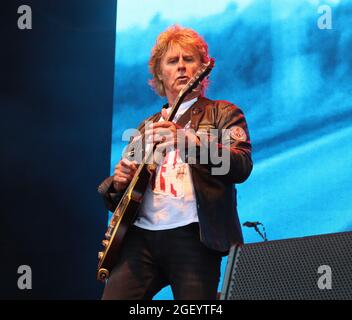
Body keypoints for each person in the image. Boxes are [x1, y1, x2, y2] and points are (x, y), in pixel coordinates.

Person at [98, 25, 253, 300]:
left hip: (194, 237)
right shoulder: (147, 126)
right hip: (140, 240)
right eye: (172, 61)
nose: (181, 66)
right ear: (160, 74)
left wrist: (188, 141)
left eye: (189, 59)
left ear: (202, 68)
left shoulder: (223, 113)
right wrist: (118, 182)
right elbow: (120, 197)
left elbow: (240, 166)